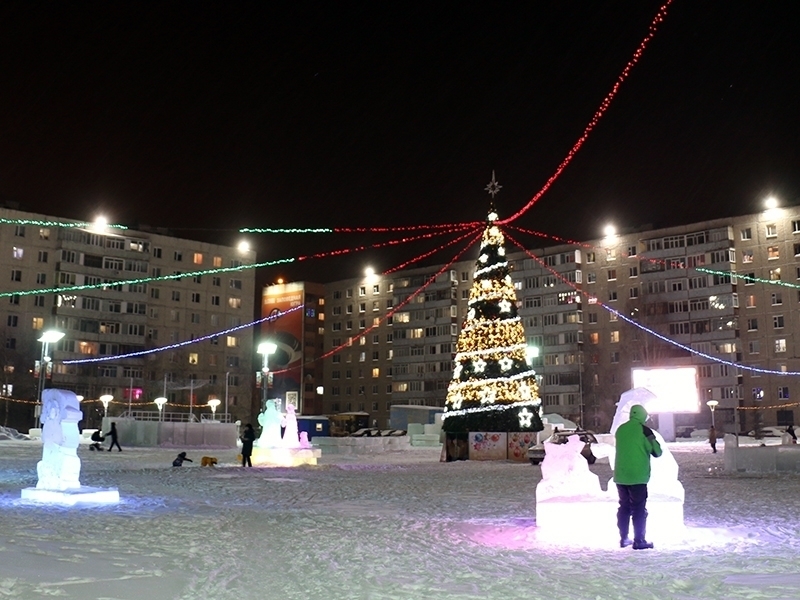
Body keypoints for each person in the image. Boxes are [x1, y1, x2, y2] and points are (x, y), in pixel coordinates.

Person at [614, 404, 662, 550]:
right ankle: (639, 540)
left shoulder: (620, 429)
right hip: (638, 476)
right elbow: (657, 452)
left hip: (621, 475)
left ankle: (623, 538)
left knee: (624, 507)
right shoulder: (644, 430)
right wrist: (651, 438)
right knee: (639, 509)